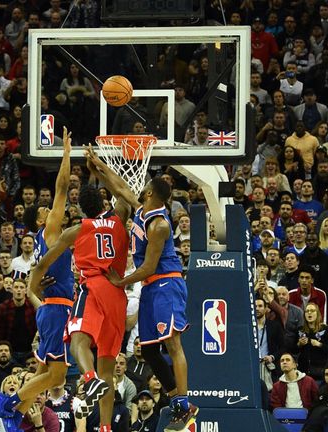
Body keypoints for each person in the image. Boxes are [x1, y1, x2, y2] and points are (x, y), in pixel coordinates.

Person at [88, 147, 196, 430]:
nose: (140, 188)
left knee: (172, 344)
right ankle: (176, 399)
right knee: (148, 350)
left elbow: (149, 266)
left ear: (150, 194)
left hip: (166, 283)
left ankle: (184, 401)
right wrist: (99, 166)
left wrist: (120, 282)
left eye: (144, 187)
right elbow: (120, 186)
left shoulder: (159, 225)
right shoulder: (141, 209)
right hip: (150, 287)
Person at [27, 182, 130, 432]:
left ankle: (88, 379)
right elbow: (125, 197)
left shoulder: (75, 230)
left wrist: (33, 285)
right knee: (107, 364)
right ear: (104, 204)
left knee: (77, 342)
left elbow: (42, 265)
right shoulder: (118, 220)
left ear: (81, 209)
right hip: (117, 294)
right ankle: (105, 428)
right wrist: (102, 173)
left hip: (93, 287)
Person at [0, 128, 73, 430]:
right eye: (45, 210)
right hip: (57, 309)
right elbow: (62, 188)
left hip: (52, 309)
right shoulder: (50, 232)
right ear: (41, 221)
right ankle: (6, 404)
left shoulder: (44, 238)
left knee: (42, 373)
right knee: (56, 377)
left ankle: (13, 420)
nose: (50, 209)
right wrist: (66, 154)